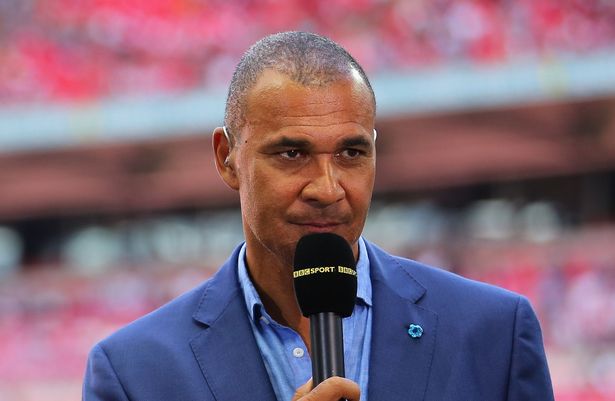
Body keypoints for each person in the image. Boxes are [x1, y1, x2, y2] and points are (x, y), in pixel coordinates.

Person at [83, 32, 554, 401]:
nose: (327, 189)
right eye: (292, 153)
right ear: (227, 157)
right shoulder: (134, 371)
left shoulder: (494, 332)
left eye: (351, 152)